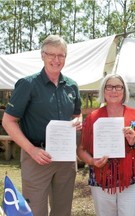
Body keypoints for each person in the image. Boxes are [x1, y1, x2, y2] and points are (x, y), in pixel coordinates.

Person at [2, 35, 82, 216]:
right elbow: (8, 121)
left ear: (65, 57)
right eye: (51, 54)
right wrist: (32, 150)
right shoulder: (27, 84)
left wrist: (78, 121)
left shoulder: (72, 86)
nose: (56, 60)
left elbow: (77, 115)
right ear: (42, 56)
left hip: (65, 158)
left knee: (63, 210)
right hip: (37, 155)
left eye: (61, 55)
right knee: (35, 211)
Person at [77, 74, 135, 216]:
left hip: (130, 179)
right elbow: (81, 150)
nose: (114, 90)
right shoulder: (92, 118)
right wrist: (91, 161)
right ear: (103, 90)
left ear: (124, 91)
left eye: (118, 87)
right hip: (101, 177)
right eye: (109, 87)